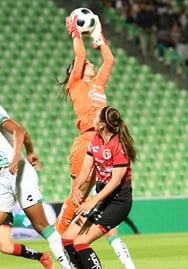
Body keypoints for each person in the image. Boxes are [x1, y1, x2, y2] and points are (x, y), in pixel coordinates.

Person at [0, 45, 72, 269]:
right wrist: (31, 151)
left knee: (41, 225)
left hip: (19, 173)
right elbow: (24, 135)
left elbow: (20, 130)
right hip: (4, 178)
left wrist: (17, 158)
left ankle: (68, 266)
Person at [56, 14, 137, 268]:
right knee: (78, 194)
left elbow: (110, 59)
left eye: (91, 63)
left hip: (104, 140)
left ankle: (67, 241)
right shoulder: (76, 82)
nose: (89, 64)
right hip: (87, 140)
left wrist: (98, 37)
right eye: (86, 63)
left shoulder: (98, 84)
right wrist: (75, 33)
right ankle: (60, 237)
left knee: (92, 196)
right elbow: (79, 57)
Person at [67, 106, 137, 268]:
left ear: (102, 124)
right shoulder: (96, 139)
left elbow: (116, 181)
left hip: (118, 202)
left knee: (81, 243)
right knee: (70, 241)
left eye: (97, 118)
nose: (94, 120)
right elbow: (85, 170)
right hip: (104, 200)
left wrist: (93, 201)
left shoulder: (119, 146)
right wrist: (75, 188)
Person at [0, 164, 53, 268]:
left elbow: (9, 182)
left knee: (5, 247)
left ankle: (41, 256)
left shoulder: (5, 163)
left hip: (1, 209)